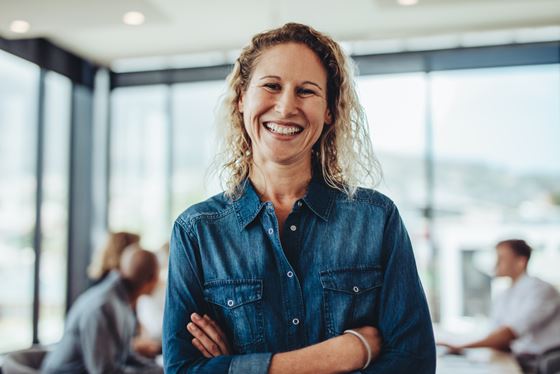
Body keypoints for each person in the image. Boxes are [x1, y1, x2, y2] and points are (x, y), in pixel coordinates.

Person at [163, 22, 435, 374]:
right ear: (242, 97)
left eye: (306, 91)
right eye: (272, 86)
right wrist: (345, 353)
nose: (286, 106)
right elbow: (182, 369)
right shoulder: (196, 231)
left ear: (329, 111)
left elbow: (415, 363)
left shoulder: (376, 219)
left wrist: (237, 367)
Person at [439, 239, 560, 373]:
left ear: (521, 262)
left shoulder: (541, 290)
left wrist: (461, 345)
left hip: (541, 361)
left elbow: (508, 334)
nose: (496, 263)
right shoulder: (505, 295)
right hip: (517, 358)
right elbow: (494, 332)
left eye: (501, 258)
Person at [41, 246, 163, 374]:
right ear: (153, 279)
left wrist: (163, 371)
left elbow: (126, 357)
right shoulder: (102, 307)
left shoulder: (120, 302)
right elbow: (104, 371)